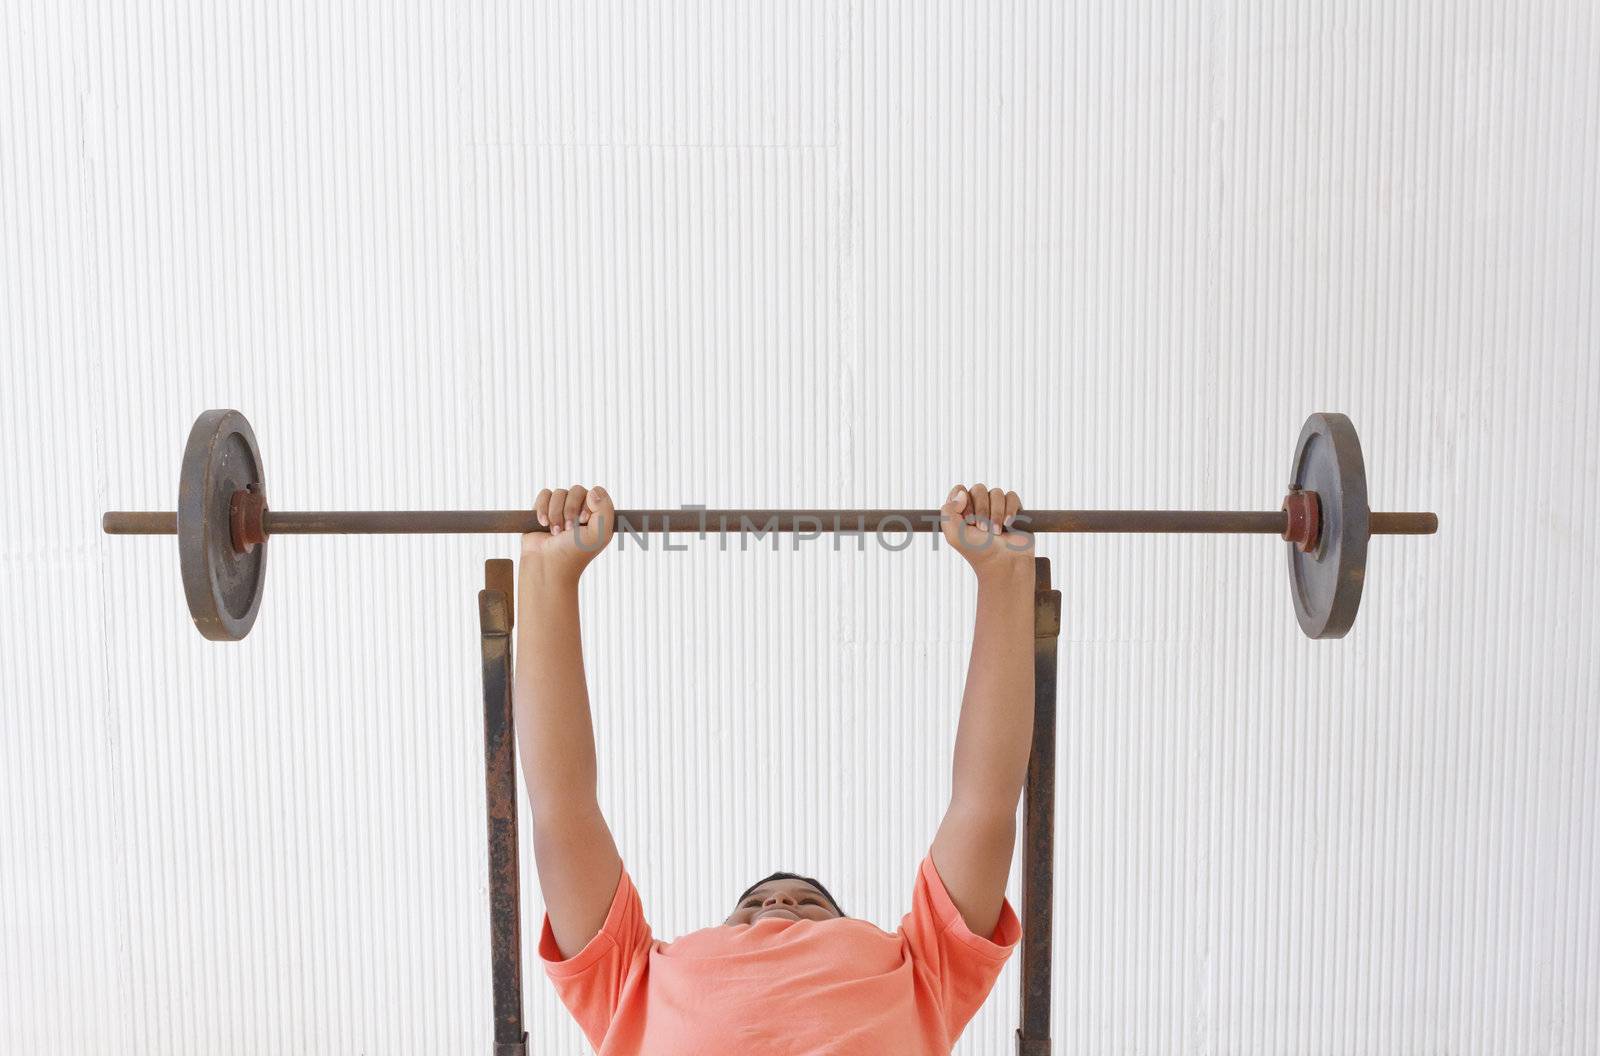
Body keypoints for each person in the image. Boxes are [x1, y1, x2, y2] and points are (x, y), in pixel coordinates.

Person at [516, 483, 1037, 1055]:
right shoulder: (634, 983)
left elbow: (983, 806)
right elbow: (563, 813)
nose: (777, 905)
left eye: (808, 905)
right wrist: (548, 574)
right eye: (752, 908)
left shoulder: (921, 974)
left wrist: (1004, 576)